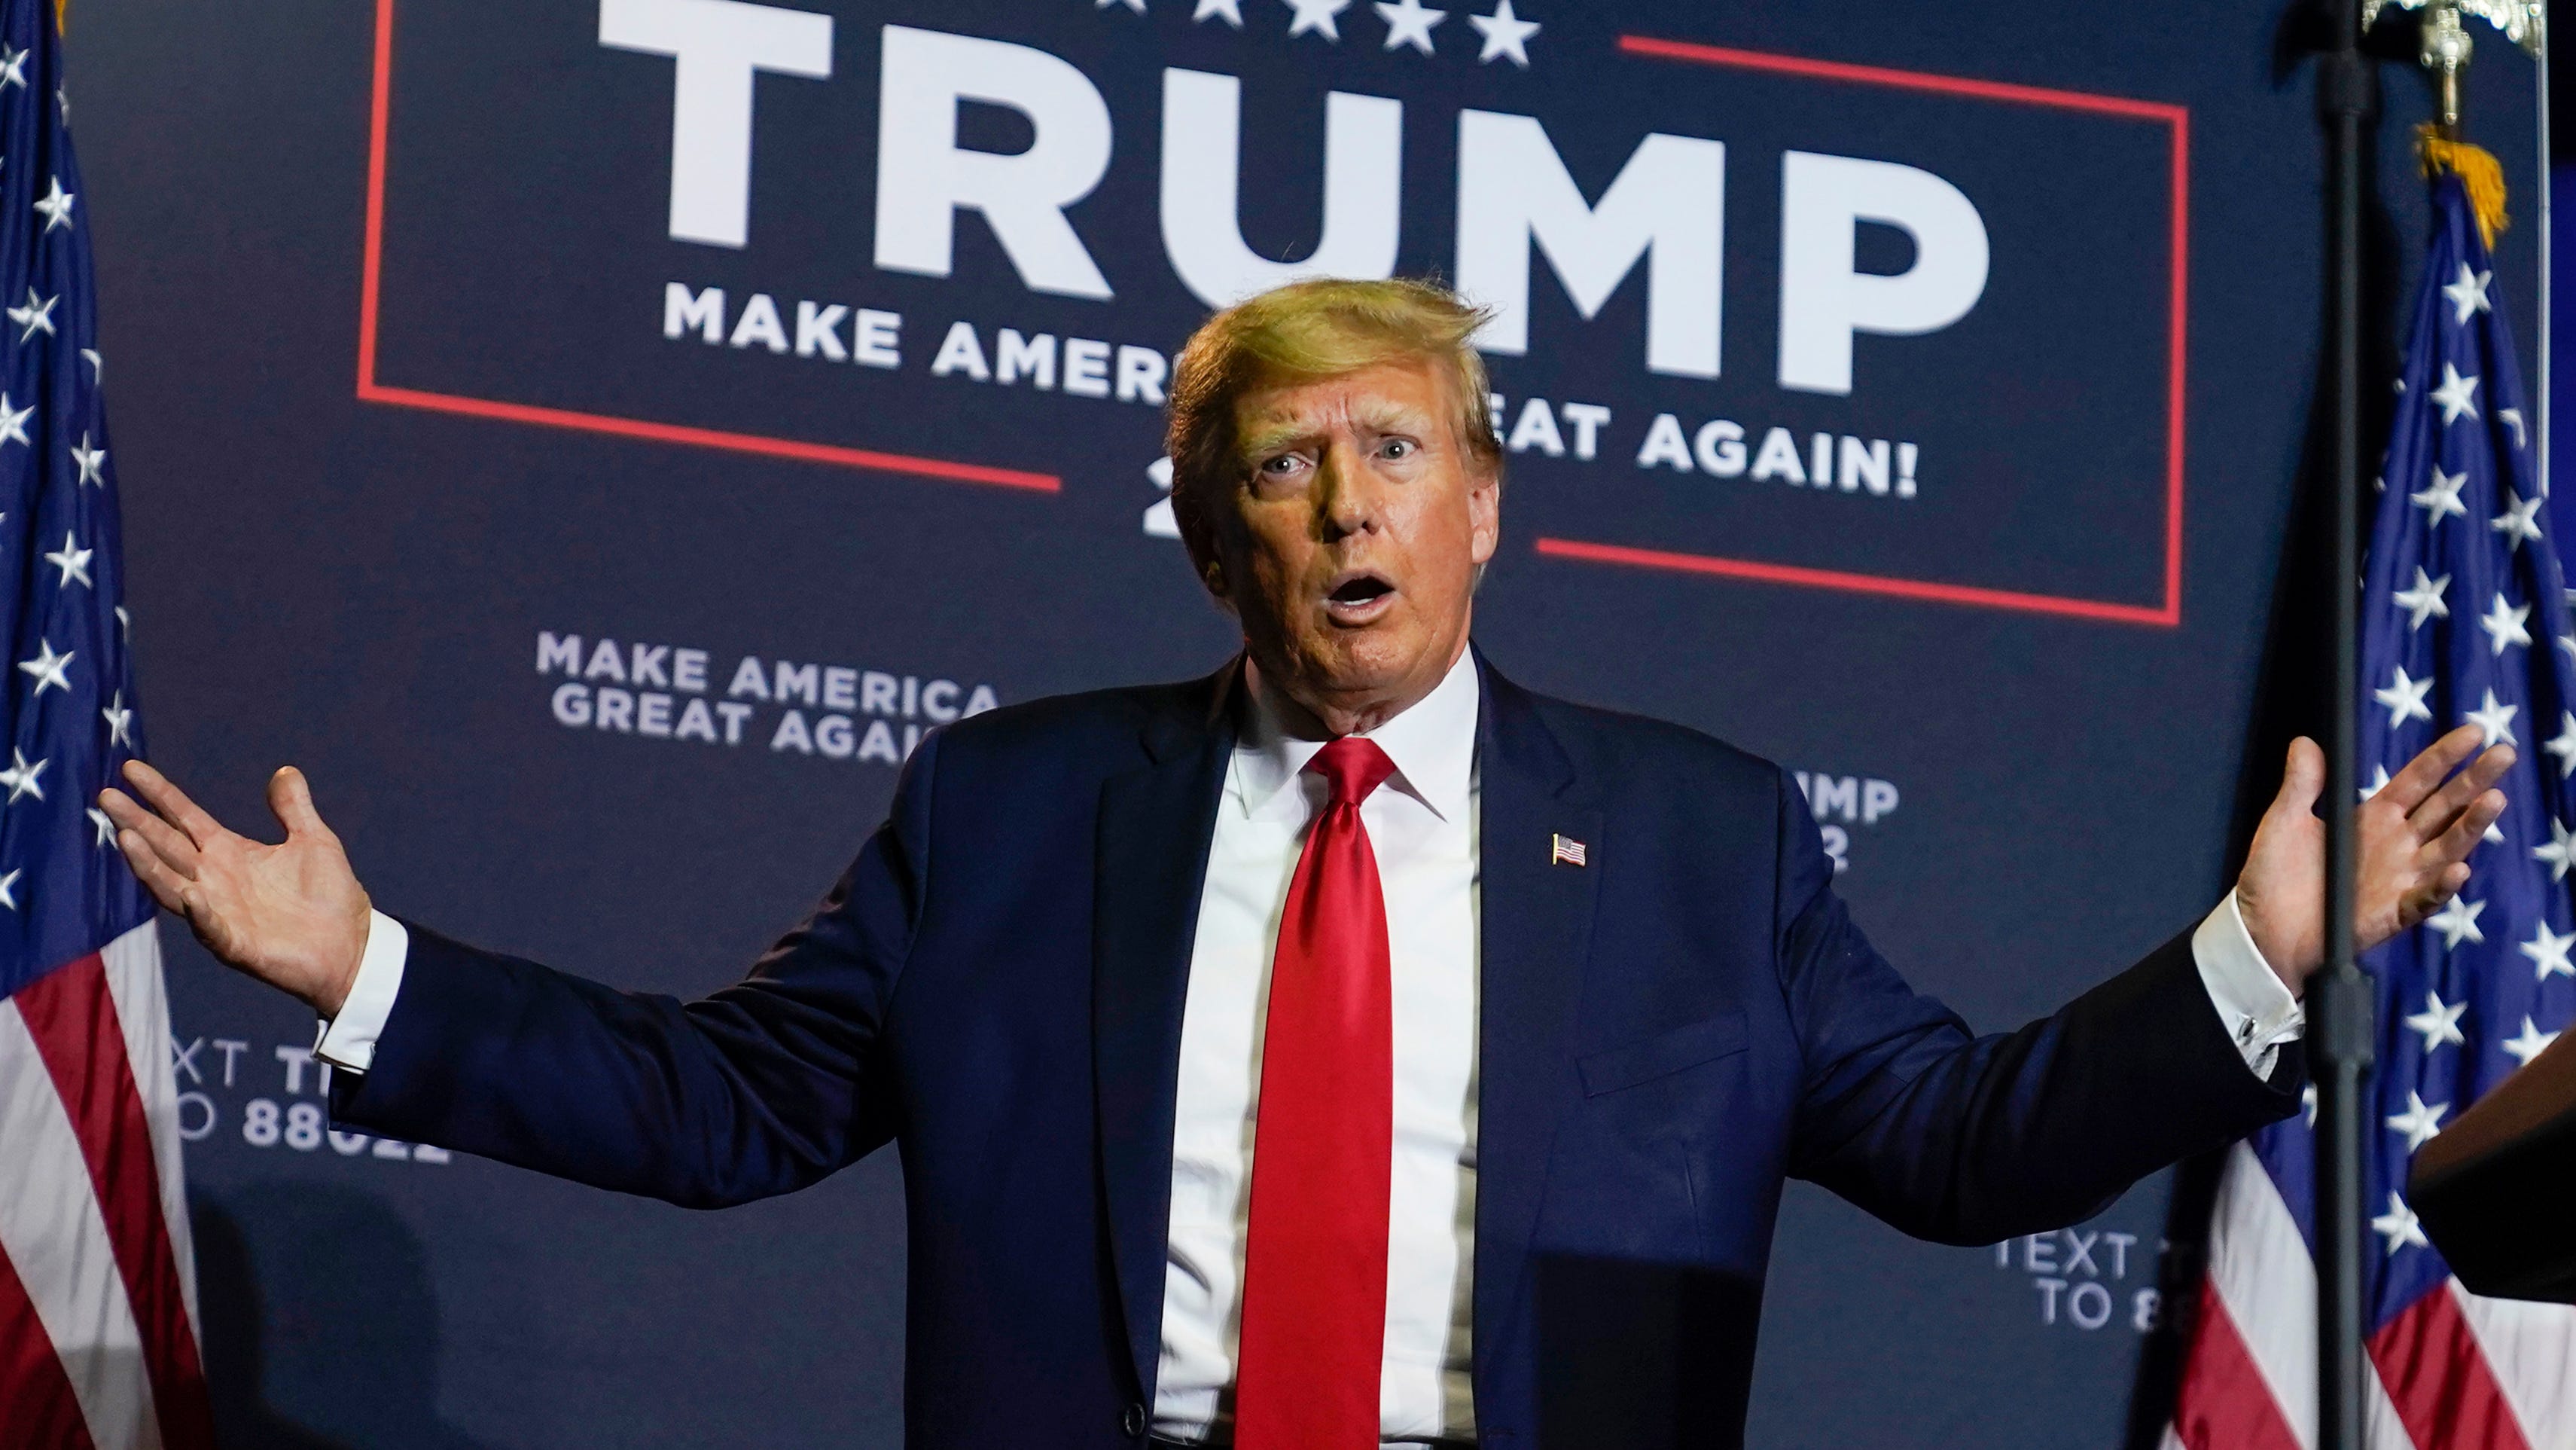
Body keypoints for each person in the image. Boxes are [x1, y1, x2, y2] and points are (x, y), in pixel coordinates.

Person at [99, 278, 2508, 1450]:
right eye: (1281, 466)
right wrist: (370, 973)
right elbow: (733, 1107)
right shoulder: (1016, 810)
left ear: (1485, 504)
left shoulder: (1703, 836)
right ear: (1208, 536)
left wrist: (2248, 970)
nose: (1347, 512)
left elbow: (1966, 1148)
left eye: (1393, 454)